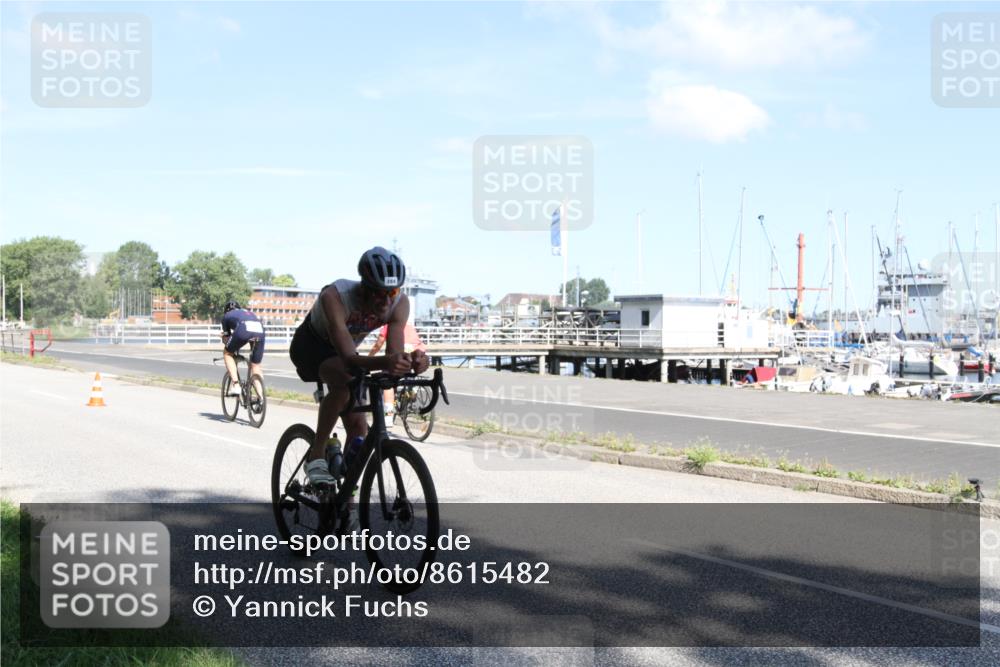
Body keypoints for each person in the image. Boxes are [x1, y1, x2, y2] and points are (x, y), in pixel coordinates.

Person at [289, 247, 429, 486]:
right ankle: (316, 454)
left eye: (392, 292)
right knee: (344, 381)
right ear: (364, 286)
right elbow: (348, 359)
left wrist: (413, 362)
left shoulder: (399, 303)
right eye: (378, 293)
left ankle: (345, 504)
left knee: (359, 429)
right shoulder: (336, 296)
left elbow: (393, 356)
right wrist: (388, 362)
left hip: (346, 352)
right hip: (312, 347)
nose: (386, 300)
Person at [368, 321, 426, 416]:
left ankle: (389, 413)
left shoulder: (389, 325)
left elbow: (378, 344)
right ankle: (412, 389)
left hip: (403, 350)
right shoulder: (409, 326)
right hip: (416, 351)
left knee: (387, 379)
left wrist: (370, 356)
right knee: (408, 373)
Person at [220, 300, 265, 395]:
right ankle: (261, 398)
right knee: (255, 365)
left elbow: (227, 339)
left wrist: (223, 338)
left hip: (244, 329)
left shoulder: (226, 316)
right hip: (260, 330)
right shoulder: (247, 312)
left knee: (227, 353)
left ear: (226, 310)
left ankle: (236, 385)